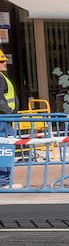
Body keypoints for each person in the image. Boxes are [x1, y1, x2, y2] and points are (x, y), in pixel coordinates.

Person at [0, 48, 15, 188]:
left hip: (5, 118)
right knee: (5, 148)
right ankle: (3, 180)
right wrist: (9, 112)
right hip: (3, 119)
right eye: (1, 61)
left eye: (4, 60)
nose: (5, 63)